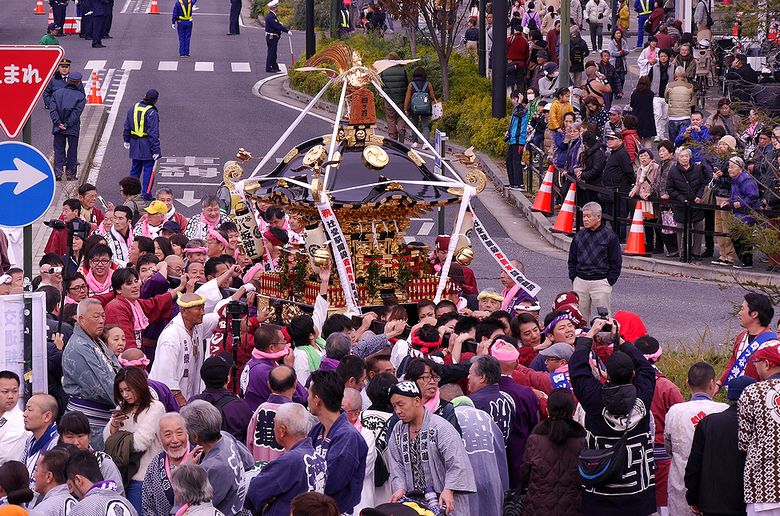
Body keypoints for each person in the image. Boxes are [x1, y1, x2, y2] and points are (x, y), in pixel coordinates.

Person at [570, 319, 656, 516]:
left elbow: (578, 370)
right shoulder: (643, 394)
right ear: (633, 373)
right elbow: (646, 369)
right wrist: (621, 341)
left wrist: (589, 335)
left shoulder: (593, 398)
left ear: (607, 374)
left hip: (600, 489)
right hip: (638, 493)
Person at [387, 381, 476, 515]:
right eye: (394, 406)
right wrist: (400, 488)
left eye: (401, 404)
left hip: (442, 500)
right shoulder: (398, 430)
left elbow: (457, 463)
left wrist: (449, 489)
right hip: (413, 504)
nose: (397, 411)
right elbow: (396, 464)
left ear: (417, 401)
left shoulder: (440, 427)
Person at [663, 362, 728, 516]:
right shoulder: (724, 410)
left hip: (681, 482)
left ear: (687, 383)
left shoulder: (675, 411)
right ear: (712, 383)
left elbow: (668, 448)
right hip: (715, 484)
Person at [685, 375, 755, 516]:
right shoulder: (759, 425)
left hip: (713, 503)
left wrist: (693, 498)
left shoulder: (709, 422)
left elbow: (694, 466)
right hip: (750, 503)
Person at [103, 367, 165, 513]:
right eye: (121, 391)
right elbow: (107, 440)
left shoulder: (155, 407)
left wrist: (119, 437)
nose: (125, 395)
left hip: (144, 477)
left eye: (128, 389)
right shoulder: (121, 407)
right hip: (122, 476)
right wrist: (115, 424)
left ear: (139, 385)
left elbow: (140, 443)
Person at [62, 299, 120, 451]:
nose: (101, 321)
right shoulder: (78, 347)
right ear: (81, 319)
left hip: (103, 419)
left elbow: (117, 370)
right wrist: (129, 399)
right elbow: (101, 388)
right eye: (96, 316)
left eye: (103, 316)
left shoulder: (95, 341)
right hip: (89, 422)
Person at [307, 370, 367, 515]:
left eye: (309, 395)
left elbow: (332, 482)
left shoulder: (348, 436)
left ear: (317, 400)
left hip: (337, 511)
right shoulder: (316, 429)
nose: (307, 399)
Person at [180, 400, 254, 515]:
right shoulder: (226, 436)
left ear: (195, 437)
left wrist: (186, 469)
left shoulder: (212, 467)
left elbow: (195, 506)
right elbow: (249, 462)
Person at [518, 388, 585, 515]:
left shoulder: (535, 439)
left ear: (548, 410)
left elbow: (525, 473)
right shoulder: (581, 441)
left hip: (538, 506)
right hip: (572, 506)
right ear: (573, 411)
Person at [149, 291, 220, 406]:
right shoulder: (171, 337)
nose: (203, 313)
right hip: (170, 401)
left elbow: (218, 317)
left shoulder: (197, 325)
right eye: (198, 309)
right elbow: (166, 376)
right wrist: (181, 403)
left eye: (203, 308)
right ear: (184, 311)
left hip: (189, 397)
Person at [738, 343, 780, 516]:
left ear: (767, 364)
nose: (755, 367)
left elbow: (743, 442)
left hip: (763, 484)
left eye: (757, 362)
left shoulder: (752, 392)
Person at [490, 340, 540, 488]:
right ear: (517, 362)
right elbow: (534, 425)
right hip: (519, 456)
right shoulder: (526, 394)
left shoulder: (480, 392)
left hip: (491, 459)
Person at [448, 396, 508, 515]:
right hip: (492, 478)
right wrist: (505, 487)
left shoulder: (449, 419)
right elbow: (500, 452)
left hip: (465, 484)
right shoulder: (486, 416)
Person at [567, 201, 621, 320]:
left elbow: (616, 261)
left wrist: (609, 280)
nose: (585, 219)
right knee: (579, 318)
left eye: (588, 216)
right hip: (580, 281)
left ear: (598, 217)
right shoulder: (579, 236)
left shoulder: (610, 236)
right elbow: (572, 259)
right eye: (583, 216)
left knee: (603, 320)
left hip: (601, 281)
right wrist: (574, 277)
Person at [241, 325, 308, 411]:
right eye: (283, 342)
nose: (287, 344)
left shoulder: (253, 362)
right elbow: (301, 397)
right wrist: (288, 369)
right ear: (271, 348)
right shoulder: (263, 371)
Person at [190, 353, 253, 443]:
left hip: (201, 451)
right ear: (228, 378)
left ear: (203, 378)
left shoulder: (193, 403)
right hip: (232, 451)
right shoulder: (239, 406)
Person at [718, 293, 777, 388]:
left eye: (742, 309)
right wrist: (719, 383)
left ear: (754, 314)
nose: (739, 313)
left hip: (756, 393)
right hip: (735, 392)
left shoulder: (771, 344)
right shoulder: (741, 336)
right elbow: (733, 363)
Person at [58, 411, 124, 493]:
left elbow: (117, 494)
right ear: (62, 439)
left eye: (80, 436)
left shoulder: (103, 462)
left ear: (89, 437)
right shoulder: (56, 462)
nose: (76, 442)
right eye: (69, 437)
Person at [141, 413, 191, 516]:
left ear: (187, 433)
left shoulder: (200, 457)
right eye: (168, 435)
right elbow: (147, 505)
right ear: (159, 438)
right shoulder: (155, 464)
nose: (175, 440)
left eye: (179, 433)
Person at [246, 365, 297, 462]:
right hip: (287, 469)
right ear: (295, 385)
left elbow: (249, 443)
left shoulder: (260, 409)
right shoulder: (296, 413)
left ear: (268, 384)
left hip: (260, 468)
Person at [666, 147, 707, 262]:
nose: (684, 158)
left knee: (699, 226)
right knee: (680, 228)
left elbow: (702, 184)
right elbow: (670, 188)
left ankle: (696, 252)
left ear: (690, 157)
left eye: (686, 156)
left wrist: (699, 196)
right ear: (677, 158)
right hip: (681, 205)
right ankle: (682, 252)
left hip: (695, 203)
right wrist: (681, 198)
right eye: (682, 156)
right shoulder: (673, 171)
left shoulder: (697, 169)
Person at [66, 450, 136, 515]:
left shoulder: (82, 509)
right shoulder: (127, 504)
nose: (70, 490)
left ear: (78, 480)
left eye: (70, 485)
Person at [721, 156, 760, 268]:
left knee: (743, 238)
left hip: (746, 213)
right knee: (736, 236)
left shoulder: (746, 179)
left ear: (740, 168)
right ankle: (743, 260)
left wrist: (741, 203)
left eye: (733, 167)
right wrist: (729, 201)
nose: (730, 169)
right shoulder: (735, 179)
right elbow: (736, 195)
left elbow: (753, 196)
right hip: (738, 213)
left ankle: (747, 262)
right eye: (729, 167)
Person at [123, 89, 161, 202]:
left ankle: (131, 192)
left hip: (134, 142)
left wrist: (126, 139)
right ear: (155, 100)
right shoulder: (152, 113)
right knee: (148, 169)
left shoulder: (133, 108)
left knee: (135, 169)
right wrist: (156, 150)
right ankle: (146, 193)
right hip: (147, 144)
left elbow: (127, 125)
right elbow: (153, 133)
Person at [49, 72, 86, 181]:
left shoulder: (57, 94)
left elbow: (53, 110)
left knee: (58, 150)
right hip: (72, 128)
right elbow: (76, 113)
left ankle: (58, 173)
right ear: (78, 83)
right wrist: (67, 124)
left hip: (58, 127)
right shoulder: (81, 97)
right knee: (72, 150)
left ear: (68, 81)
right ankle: (70, 174)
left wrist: (58, 123)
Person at [22, 394, 60, 488]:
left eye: (30, 410)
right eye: (25, 409)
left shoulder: (56, 445)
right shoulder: (30, 440)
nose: (24, 414)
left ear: (47, 416)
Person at [29, 448, 77, 515]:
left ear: (49, 476)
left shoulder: (42, 511)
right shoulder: (78, 505)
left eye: (36, 470)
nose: (34, 475)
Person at [0, 371, 31, 466]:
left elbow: (5, 456)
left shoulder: (22, 422)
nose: (10, 396)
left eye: (15, 391)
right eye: (5, 392)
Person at [379, 52, 409, 144]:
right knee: (401, 115)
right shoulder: (402, 71)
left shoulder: (384, 71)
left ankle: (393, 137)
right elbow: (406, 84)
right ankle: (401, 129)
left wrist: (383, 95)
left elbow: (381, 85)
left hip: (389, 98)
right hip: (401, 97)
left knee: (390, 117)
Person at [404, 67, 437, 146]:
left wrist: (405, 108)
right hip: (426, 108)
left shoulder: (411, 85)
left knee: (414, 125)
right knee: (425, 125)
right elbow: (432, 96)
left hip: (414, 108)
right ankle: (426, 143)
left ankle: (415, 142)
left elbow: (408, 98)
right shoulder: (428, 84)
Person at [505, 91, 529, 191]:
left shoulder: (523, 109)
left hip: (519, 139)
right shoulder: (517, 109)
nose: (513, 101)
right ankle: (513, 183)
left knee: (516, 161)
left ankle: (519, 184)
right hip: (513, 139)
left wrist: (520, 103)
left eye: (514, 99)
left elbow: (518, 113)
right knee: (509, 161)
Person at [649, 48, 672, 141]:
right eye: (661, 56)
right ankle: (657, 134)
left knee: (665, 116)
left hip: (668, 96)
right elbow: (649, 79)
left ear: (668, 57)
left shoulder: (673, 67)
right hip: (656, 95)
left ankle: (662, 133)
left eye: (665, 56)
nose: (663, 58)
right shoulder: (654, 67)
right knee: (657, 114)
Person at [630, 76, 656, 148]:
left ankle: (639, 153)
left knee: (638, 139)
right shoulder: (651, 94)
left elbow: (631, 104)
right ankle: (648, 153)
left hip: (637, 118)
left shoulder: (635, 94)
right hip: (648, 119)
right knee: (647, 139)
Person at [264, 0, 289, 73]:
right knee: (271, 52)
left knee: (273, 52)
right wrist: (287, 31)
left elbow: (276, 24)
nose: (278, 8)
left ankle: (274, 66)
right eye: (277, 6)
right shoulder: (271, 17)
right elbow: (276, 26)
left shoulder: (272, 16)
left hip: (271, 37)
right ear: (274, 7)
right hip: (272, 37)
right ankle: (268, 67)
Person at [608, 29, 629, 96]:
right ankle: (616, 92)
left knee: (622, 79)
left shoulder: (623, 42)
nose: (618, 35)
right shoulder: (611, 43)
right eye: (617, 33)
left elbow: (627, 50)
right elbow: (611, 53)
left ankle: (620, 91)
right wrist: (619, 53)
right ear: (614, 35)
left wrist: (624, 51)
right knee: (615, 79)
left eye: (619, 33)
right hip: (614, 63)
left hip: (622, 63)